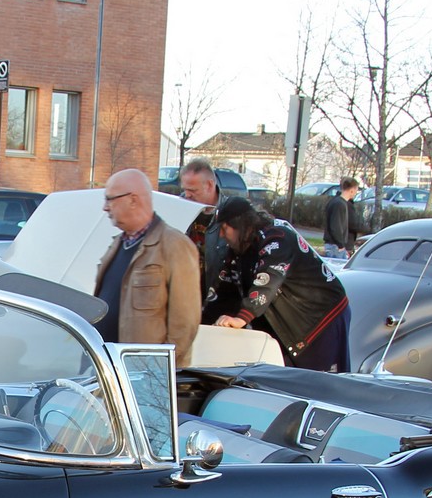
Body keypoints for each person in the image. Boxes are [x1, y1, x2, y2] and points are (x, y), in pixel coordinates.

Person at [209, 197, 350, 371]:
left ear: (240, 225)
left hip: (322, 316)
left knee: (322, 380)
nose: (221, 235)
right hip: (291, 318)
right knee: (287, 375)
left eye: (224, 229)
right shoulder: (239, 251)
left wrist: (242, 317)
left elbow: (269, 279)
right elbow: (224, 290)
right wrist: (202, 325)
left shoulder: (277, 238)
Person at [92, 168, 200, 362]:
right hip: (109, 367)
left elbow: (185, 324)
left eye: (109, 199)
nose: (105, 207)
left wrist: (158, 370)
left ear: (133, 200)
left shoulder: (174, 245)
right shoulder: (117, 244)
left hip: (144, 373)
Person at [179, 158, 236, 322]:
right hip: (184, 297)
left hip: (216, 300)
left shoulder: (232, 214)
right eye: (185, 189)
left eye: (193, 190)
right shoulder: (180, 206)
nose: (187, 195)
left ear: (210, 185)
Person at [322, 177, 361, 257]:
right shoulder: (339, 204)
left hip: (335, 246)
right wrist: (341, 245)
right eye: (356, 190)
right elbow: (336, 227)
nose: (356, 193)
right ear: (352, 190)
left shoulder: (338, 202)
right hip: (335, 246)